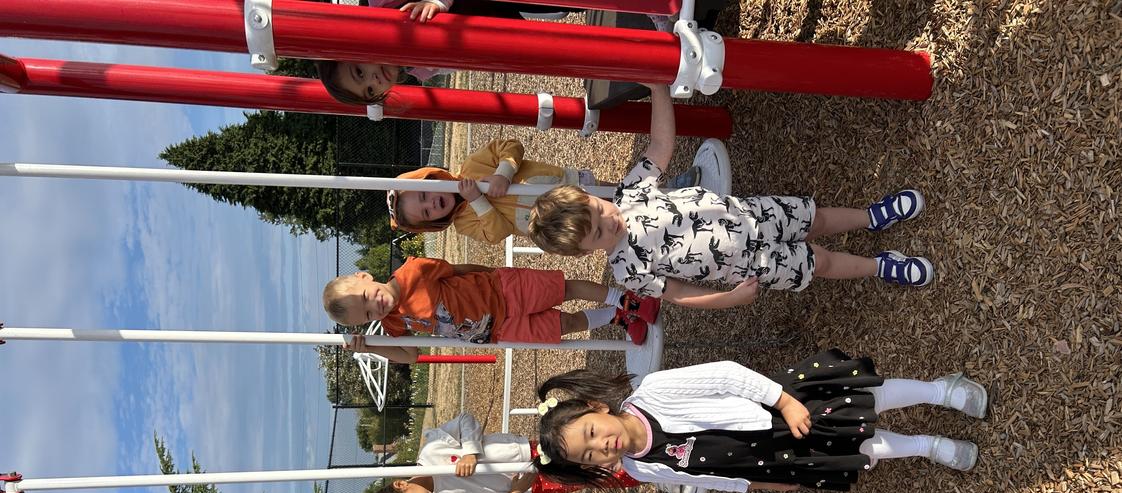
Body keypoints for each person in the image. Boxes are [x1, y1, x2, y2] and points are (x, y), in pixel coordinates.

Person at [528, 84, 935, 304]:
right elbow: (679, 294)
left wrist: (656, 87)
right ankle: (880, 266)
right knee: (821, 262)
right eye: (598, 233)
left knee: (818, 218)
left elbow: (660, 144)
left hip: (753, 216)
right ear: (586, 252)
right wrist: (727, 299)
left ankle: (872, 216)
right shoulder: (626, 271)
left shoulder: (631, 192)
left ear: (589, 194)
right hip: (749, 264)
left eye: (599, 211)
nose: (609, 221)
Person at [531, 351, 988, 493]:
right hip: (769, 457)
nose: (601, 445)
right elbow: (707, 476)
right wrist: (760, 485)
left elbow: (726, 373)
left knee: (863, 401)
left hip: (777, 411)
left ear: (597, 408)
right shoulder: (638, 468)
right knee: (859, 449)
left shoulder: (652, 391)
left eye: (591, 433)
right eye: (589, 454)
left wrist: (784, 400)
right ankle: (926, 445)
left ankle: (939, 390)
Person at [364, 411, 639, 493]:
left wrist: (470, 451)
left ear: (401, 484)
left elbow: (465, 420)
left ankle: (637, 447)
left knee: (583, 452)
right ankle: (643, 472)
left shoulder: (432, 451)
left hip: (525, 452)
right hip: (531, 486)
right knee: (591, 478)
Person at [322, 255, 660, 354]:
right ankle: (618, 317)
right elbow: (410, 355)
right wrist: (371, 348)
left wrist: (494, 274)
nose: (374, 307)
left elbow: (457, 270)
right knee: (565, 326)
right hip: (500, 330)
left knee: (564, 289)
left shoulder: (413, 271)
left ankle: (626, 299)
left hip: (503, 290)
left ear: (365, 277)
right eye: (367, 315)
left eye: (366, 298)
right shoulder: (394, 325)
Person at [386, 138, 698, 246]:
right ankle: (664, 227)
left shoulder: (472, 166)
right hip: (555, 218)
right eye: (427, 212)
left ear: (430, 177)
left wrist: (502, 171)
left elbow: (511, 147)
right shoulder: (464, 223)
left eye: (425, 193)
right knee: (613, 221)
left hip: (562, 186)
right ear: (432, 223)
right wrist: (478, 201)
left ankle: (674, 192)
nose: (433, 203)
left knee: (617, 194)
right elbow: (496, 233)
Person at [315, 1, 572, 105]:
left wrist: (437, 2)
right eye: (370, 91)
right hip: (494, 22)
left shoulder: (384, 6)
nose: (375, 80)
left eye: (360, 72)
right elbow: (467, 62)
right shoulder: (421, 69)